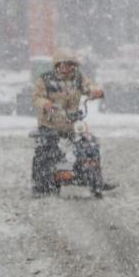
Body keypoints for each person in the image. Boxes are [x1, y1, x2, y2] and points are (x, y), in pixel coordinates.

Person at [31, 48, 116, 198]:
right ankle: (42, 183)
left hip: (72, 124)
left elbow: (89, 86)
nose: (67, 68)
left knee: (90, 144)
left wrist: (95, 92)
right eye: (64, 64)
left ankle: (95, 178)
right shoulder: (45, 80)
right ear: (57, 65)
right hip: (50, 124)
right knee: (46, 150)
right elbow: (36, 97)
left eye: (70, 65)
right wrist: (46, 104)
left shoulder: (78, 78)